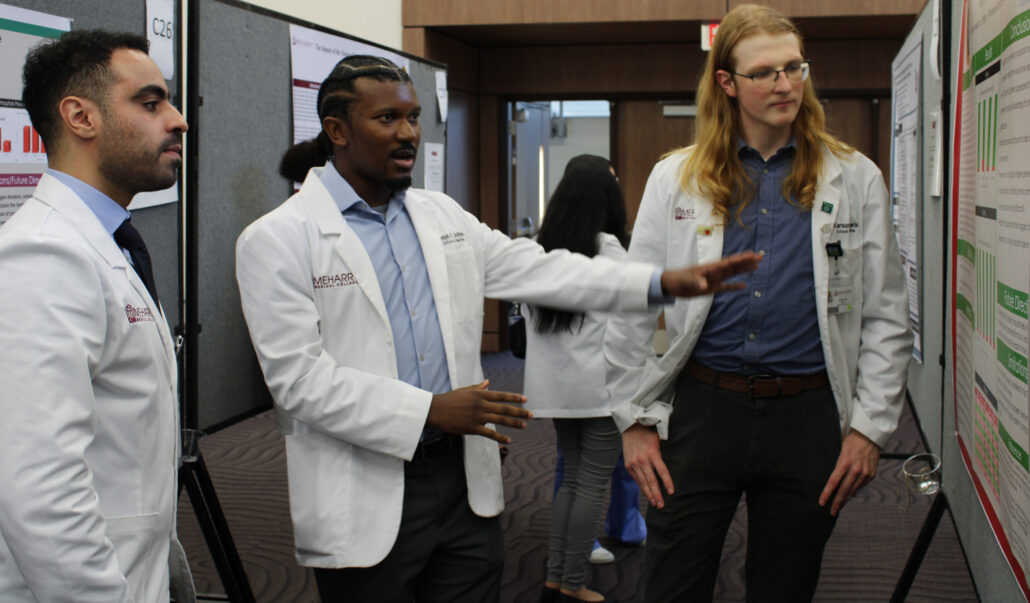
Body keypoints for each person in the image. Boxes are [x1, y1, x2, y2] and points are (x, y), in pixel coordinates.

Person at [235, 55, 760, 603]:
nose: (409, 133)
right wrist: (430, 410)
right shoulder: (277, 239)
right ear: (337, 131)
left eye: (414, 117)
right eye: (387, 119)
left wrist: (660, 283)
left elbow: (544, 268)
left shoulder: (441, 216)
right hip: (364, 483)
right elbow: (299, 382)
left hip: (463, 483)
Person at [605, 5, 913, 602]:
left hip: (808, 416)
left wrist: (870, 430)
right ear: (727, 83)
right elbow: (636, 305)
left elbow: (886, 317)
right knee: (671, 583)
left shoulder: (855, 177)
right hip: (701, 411)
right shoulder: (677, 179)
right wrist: (633, 420)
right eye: (765, 72)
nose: (785, 84)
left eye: (794, 67)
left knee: (785, 585)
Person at [0, 31, 194, 602]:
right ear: (81, 117)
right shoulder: (42, 254)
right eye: (152, 102)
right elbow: (41, 490)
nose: (179, 120)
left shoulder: (107, 242)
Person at [522, 155, 630, 603]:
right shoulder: (609, 251)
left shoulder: (535, 249)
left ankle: (556, 578)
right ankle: (571, 583)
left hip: (556, 389)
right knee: (591, 483)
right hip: (600, 390)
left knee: (571, 479)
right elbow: (631, 326)